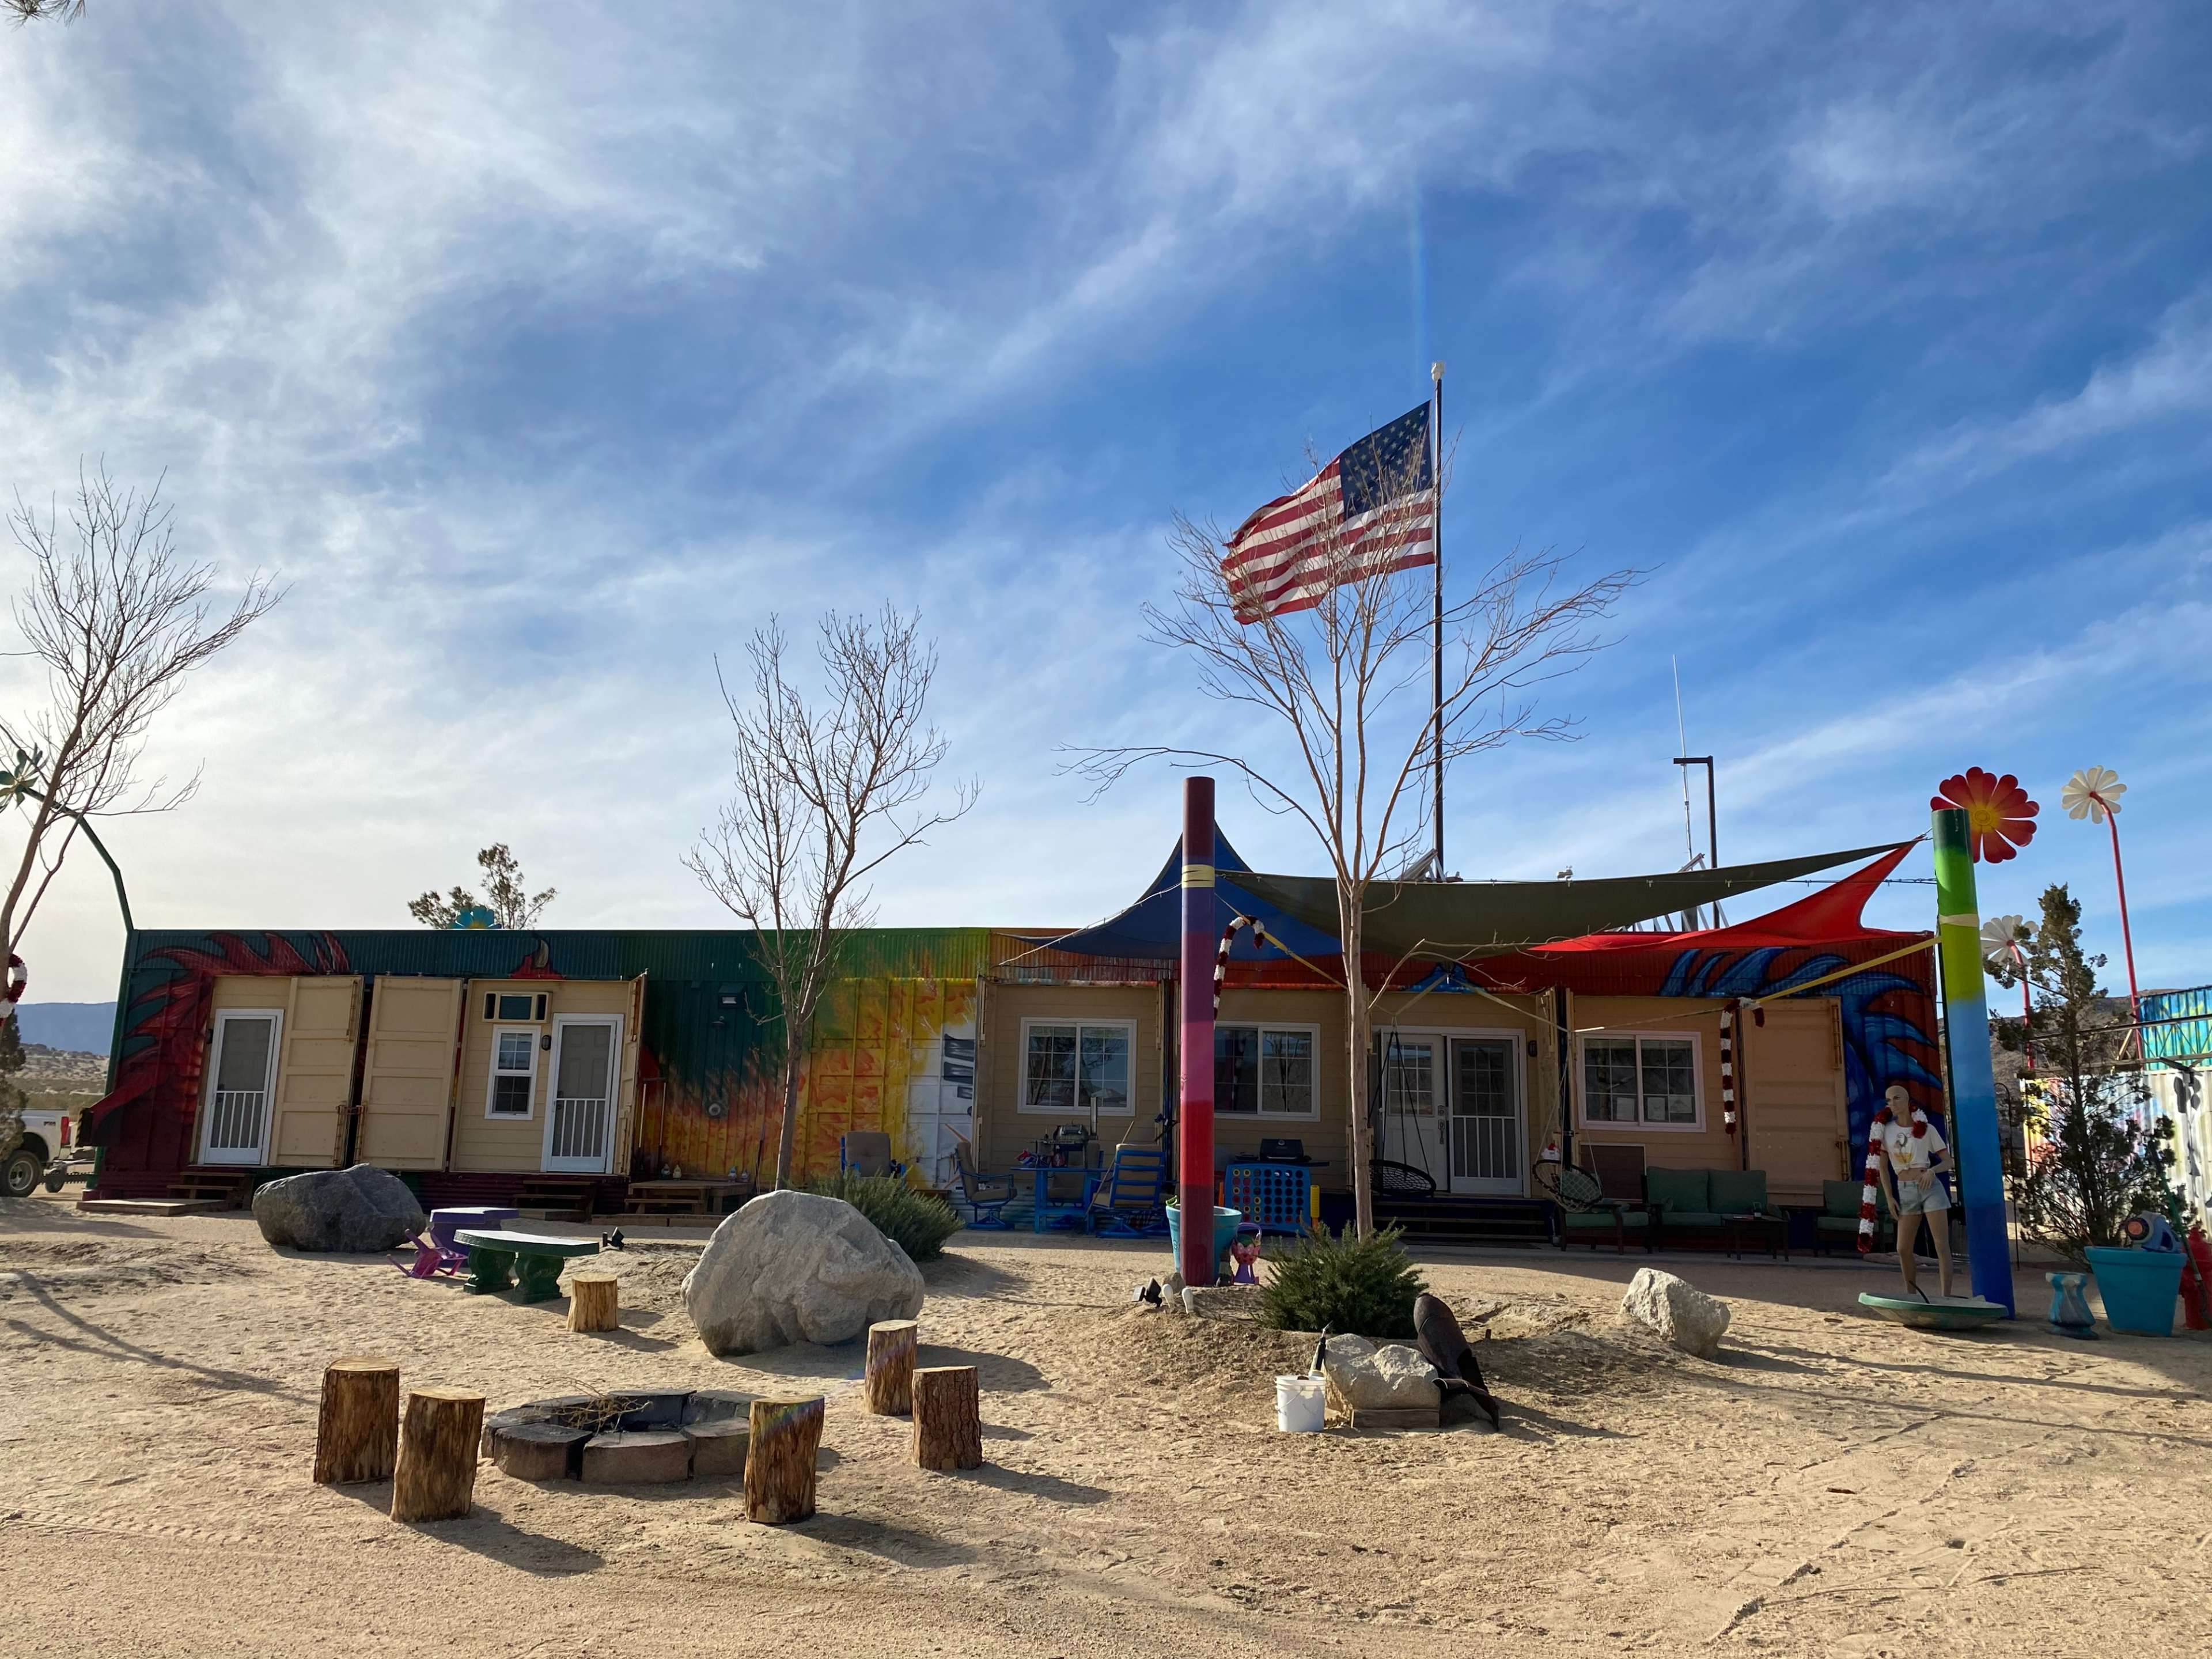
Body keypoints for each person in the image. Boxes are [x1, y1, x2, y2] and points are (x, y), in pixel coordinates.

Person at [1876, 1084, 1954, 1300]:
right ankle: (1911, 1294)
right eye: (1889, 1100)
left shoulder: (1927, 1129)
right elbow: (1882, 1167)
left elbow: (1948, 1161)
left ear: (1908, 1101)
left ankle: (1946, 1296)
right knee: (1902, 1248)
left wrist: (1932, 1170)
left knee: (1941, 1244)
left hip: (1929, 1186)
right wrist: (1889, 1196)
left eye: (1897, 1098)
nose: (1892, 1104)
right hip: (1905, 1189)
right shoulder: (1886, 1131)